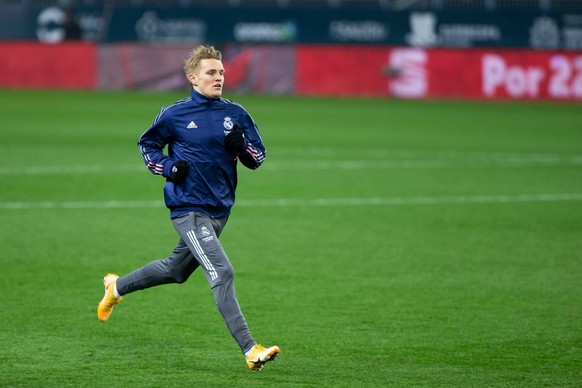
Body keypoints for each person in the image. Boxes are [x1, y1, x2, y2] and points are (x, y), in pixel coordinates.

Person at [97, 45, 279, 371]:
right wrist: (168, 168)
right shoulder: (174, 114)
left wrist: (244, 148)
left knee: (175, 271)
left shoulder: (236, 114)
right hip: (188, 209)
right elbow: (148, 145)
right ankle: (251, 349)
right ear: (193, 78)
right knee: (221, 272)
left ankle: (116, 286)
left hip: (220, 210)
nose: (219, 77)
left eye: (221, 72)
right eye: (211, 72)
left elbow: (258, 158)